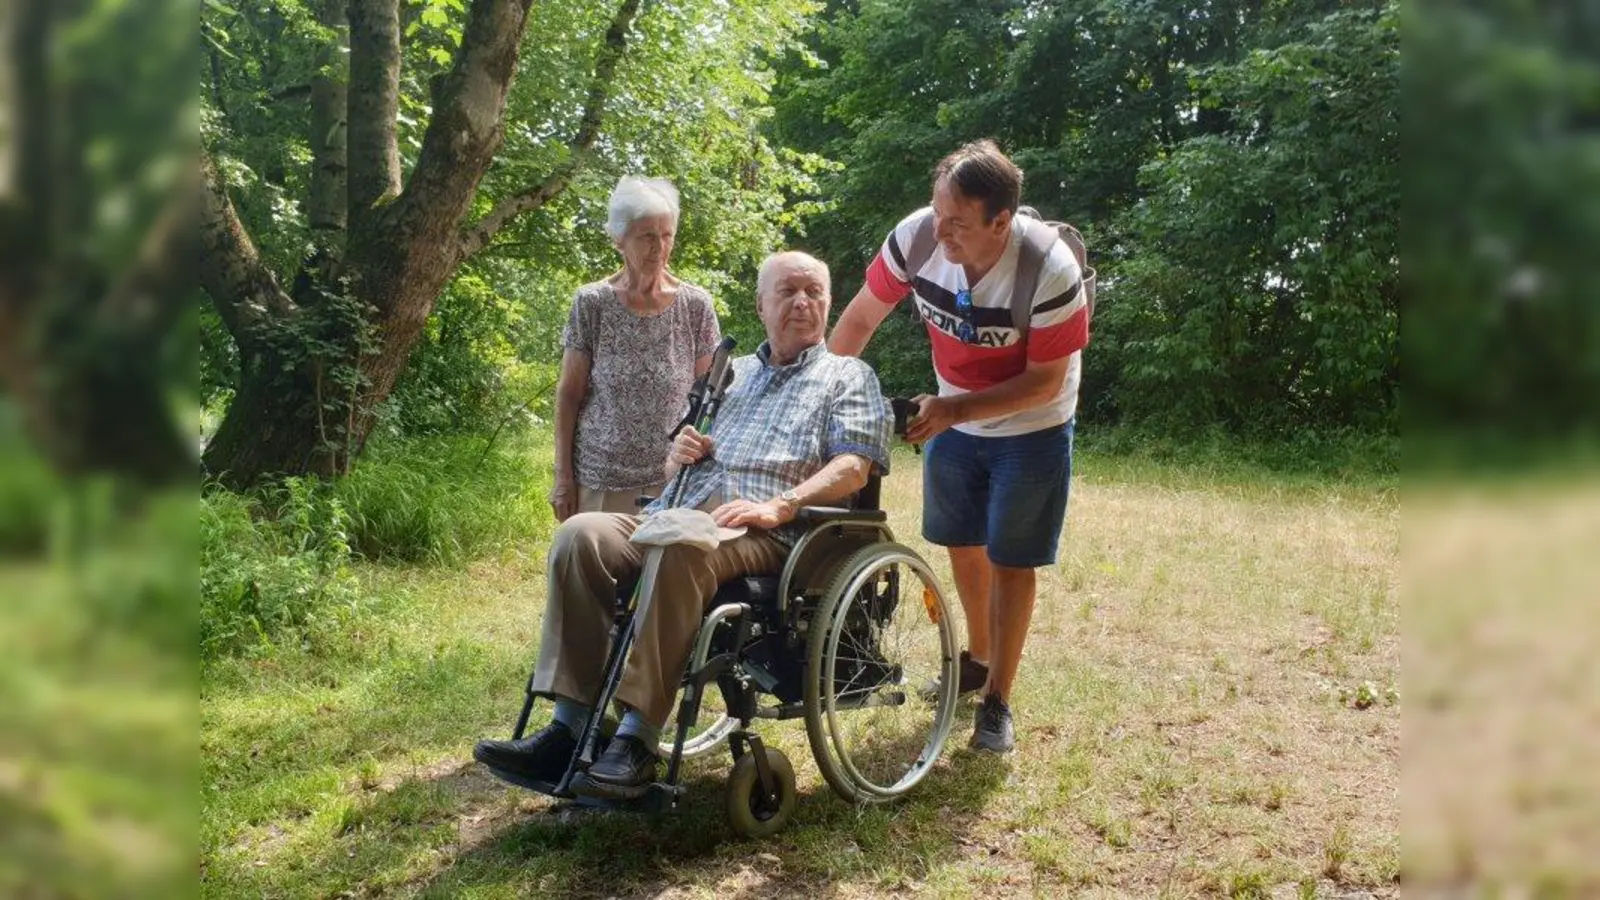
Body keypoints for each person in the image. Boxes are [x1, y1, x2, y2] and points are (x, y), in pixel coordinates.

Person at [476, 251, 891, 798]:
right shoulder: (730, 375)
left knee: (678, 548)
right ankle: (568, 728)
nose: (802, 302)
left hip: (770, 530)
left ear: (829, 304)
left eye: (814, 292)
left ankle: (638, 739)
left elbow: (852, 466)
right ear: (760, 304)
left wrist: (783, 504)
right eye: (788, 291)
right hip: (682, 510)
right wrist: (680, 452)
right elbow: (674, 464)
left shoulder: (847, 375)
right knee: (579, 536)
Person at [828, 140, 1089, 753]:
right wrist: (821, 396)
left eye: (958, 223)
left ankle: (998, 699)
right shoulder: (916, 238)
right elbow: (862, 317)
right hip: (954, 416)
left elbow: (1045, 381)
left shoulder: (1048, 267)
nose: (941, 232)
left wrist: (953, 411)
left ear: (1002, 221)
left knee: (1011, 557)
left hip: (1034, 425)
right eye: (937, 213)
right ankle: (976, 658)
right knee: (962, 543)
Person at [549, 176, 722, 522]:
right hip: (601, 478)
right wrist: (562, 477)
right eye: (646, 236)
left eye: (667, 235)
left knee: (660, 575)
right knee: (594, 569)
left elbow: (711, 400)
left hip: (673, 478)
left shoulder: (696, 306)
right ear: (619, 238)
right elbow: (569, 395)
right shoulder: (592, 303)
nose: (659, 248)